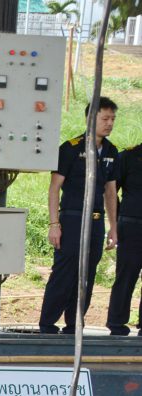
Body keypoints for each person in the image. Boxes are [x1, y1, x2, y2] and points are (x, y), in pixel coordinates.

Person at [40, 97, 119, 334]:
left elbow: (111, 192)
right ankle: (47, 323)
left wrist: (113, 227)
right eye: (105, 118)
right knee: (64, 271)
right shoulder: (71, 148)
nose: (109, 123)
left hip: (96, 221)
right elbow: (54, 188)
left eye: (113, 119)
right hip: (72, 218)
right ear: (90, 119)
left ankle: (75, 323)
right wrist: (54, 223)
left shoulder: (112, 151)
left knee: (87, 274)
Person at [108, 140, 141, 336]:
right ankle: (116, 323)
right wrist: (117, 220)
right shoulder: (129, 157)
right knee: (126, 277)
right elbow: (111, 190)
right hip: (132, 226)